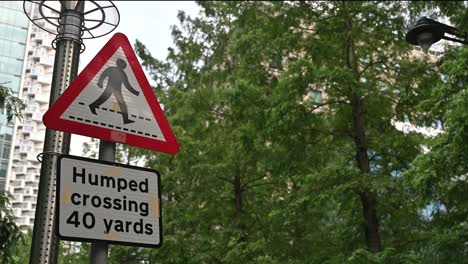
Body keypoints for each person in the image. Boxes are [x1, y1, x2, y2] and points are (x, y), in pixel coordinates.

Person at [89, 58, 139, 124]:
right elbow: (104, 74)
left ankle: (126, 120)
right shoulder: (115, 70)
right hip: (112, 89)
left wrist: (136, 92)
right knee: (105, 100)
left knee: (117, 103)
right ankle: (125, 120)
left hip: (116, 90)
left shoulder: (117, 71)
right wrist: (100, 83)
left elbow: (127, 85)